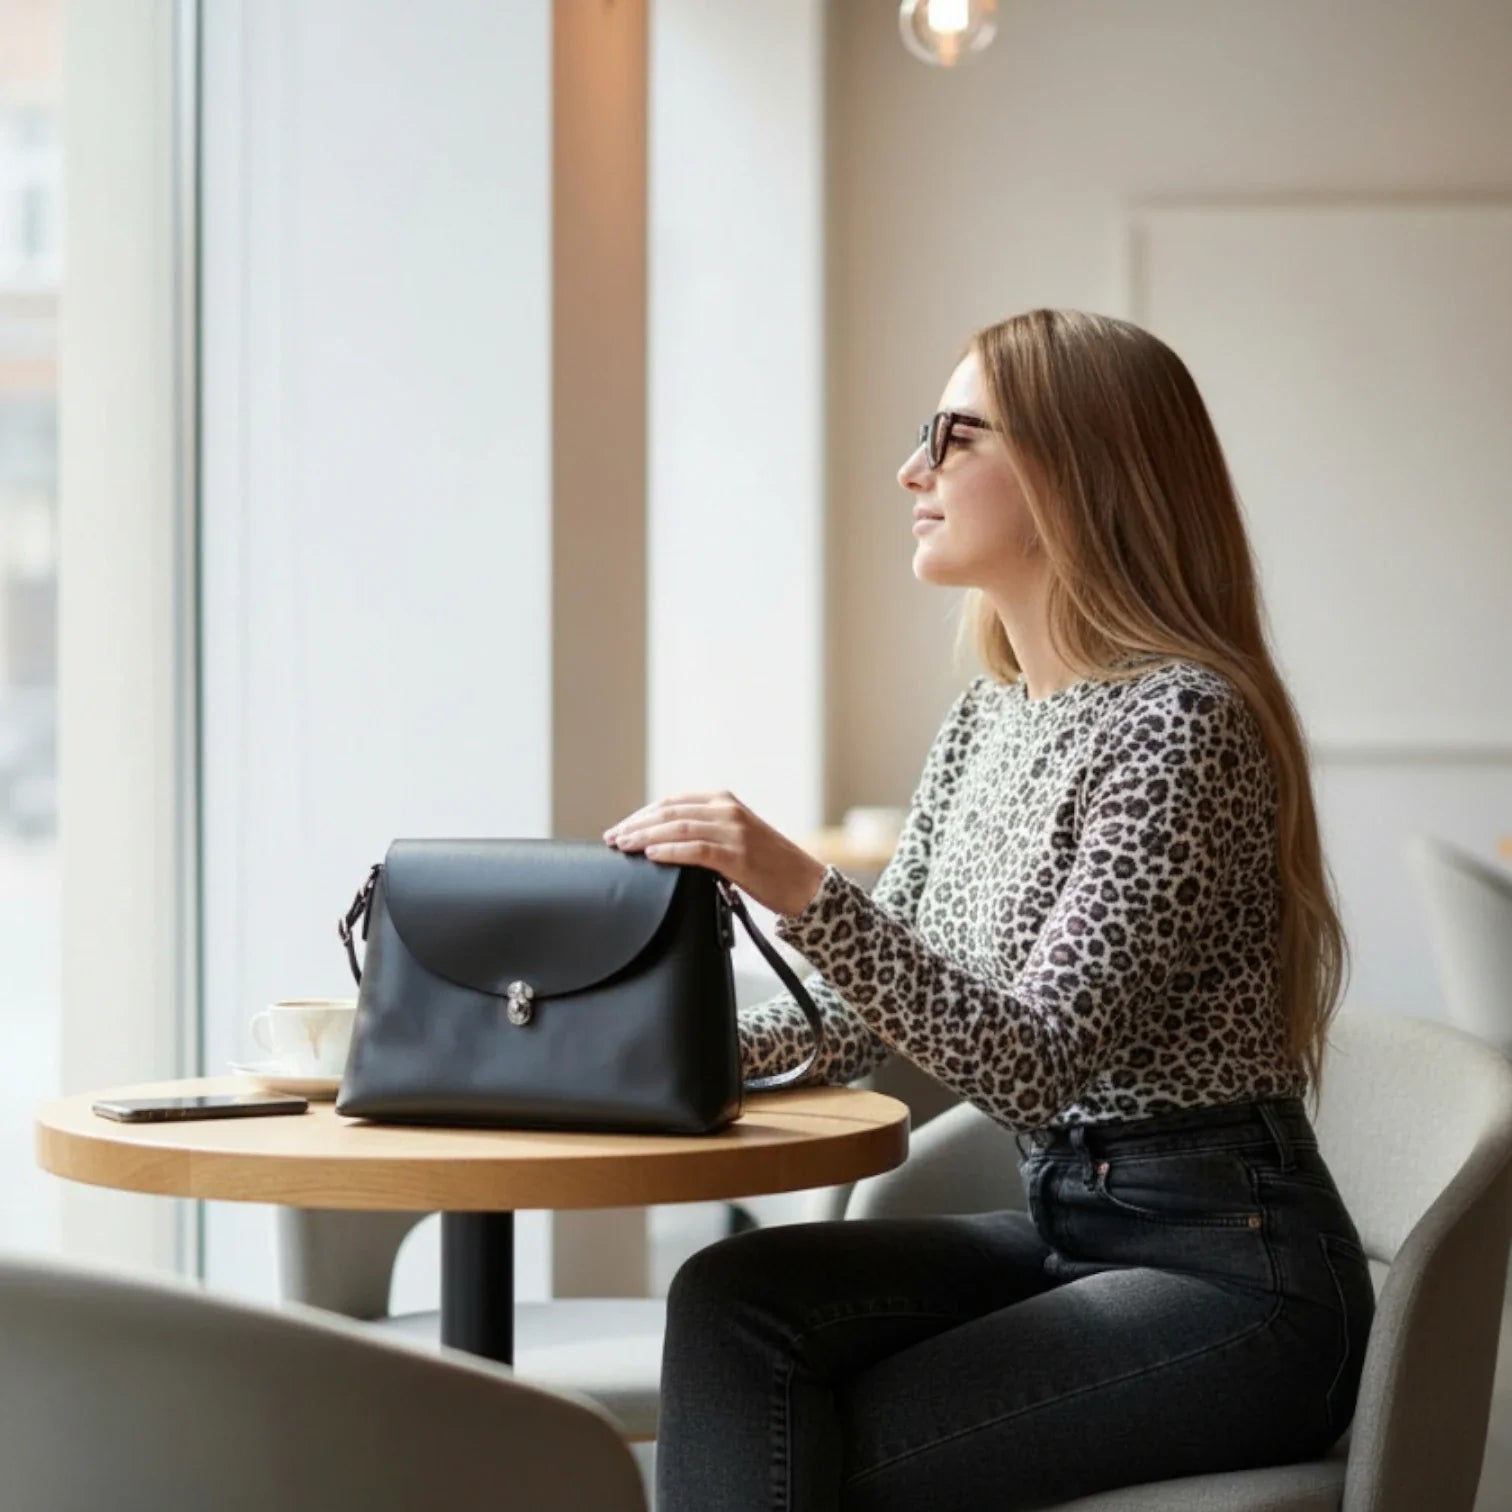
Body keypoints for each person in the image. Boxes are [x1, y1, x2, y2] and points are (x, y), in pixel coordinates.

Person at [603, 308, 1374, 1511]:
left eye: (957, 436)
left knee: (804, 1453)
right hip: (1072, 1225)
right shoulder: (988, 718)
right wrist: (636, 1061)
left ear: (1081, 469)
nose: (914, 470)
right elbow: (867, 1021)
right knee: (733, 1300)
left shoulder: (1184, 723)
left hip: (1234, 1275)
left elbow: (1030, 1063)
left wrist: (798, 883)